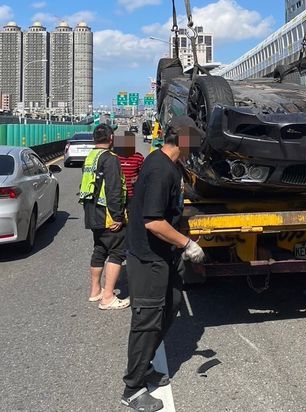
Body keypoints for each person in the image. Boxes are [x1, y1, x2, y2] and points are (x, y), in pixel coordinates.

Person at [121, 116, 205, 412]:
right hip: (148, 258)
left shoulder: (170, 165)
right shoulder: (160, 170)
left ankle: (145, 367)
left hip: (164, 255)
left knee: (172, 305)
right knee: (147, 320)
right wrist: (187, 244)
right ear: (183, 140)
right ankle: (133, 388)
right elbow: (153, 221)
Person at [79, 123, 130, 310]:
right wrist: (117, 216)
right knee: (117, 251)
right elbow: (113, 189)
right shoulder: (110, 159)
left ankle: (95, 291)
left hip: (92, 213)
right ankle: (108, 297)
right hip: (108, 214)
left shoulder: (91, 157)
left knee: (99, 249)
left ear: (94, 139)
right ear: (111, 139)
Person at [114, 132, 145, 203]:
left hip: (133, 195)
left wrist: (138, 178)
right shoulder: (114, 157)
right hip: (117, 195)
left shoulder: (138, 157)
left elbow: (144, 173)